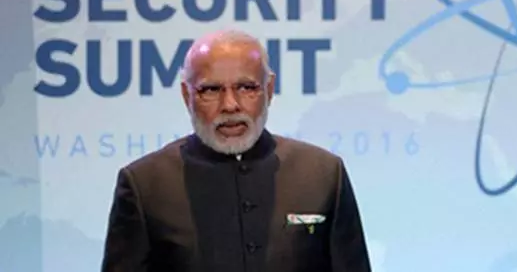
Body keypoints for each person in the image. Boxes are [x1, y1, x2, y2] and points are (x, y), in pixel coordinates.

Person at [100, 30, 372, 272]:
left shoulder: (323, 174)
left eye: (246, 87)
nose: (230, 105)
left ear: (269, 90)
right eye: (211, 89)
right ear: (187, 95)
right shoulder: (144, 185)